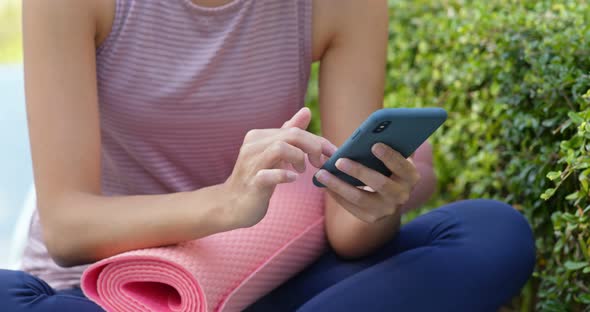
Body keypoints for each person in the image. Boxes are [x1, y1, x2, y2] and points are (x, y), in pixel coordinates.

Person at [1, 0, 536, 311]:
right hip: (118, 293)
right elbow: (69, 230)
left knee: (491, 232)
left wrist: (379, 202)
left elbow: (350, 238)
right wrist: (225, 205)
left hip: (264, 276)